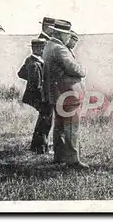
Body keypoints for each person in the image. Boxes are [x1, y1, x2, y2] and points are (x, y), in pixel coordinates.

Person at [42, 19, 88, 169]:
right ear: (61, 34)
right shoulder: (60, 48)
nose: (69, 38)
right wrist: (83, 70)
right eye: (67, 35)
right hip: (68, 93)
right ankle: (73, 160)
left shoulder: (49, 46)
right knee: (71, 126)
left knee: (60, 125)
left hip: (57, 94)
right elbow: (74, 68)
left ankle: (59, 156)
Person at [18, 38, 50, 154]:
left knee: (43, 120)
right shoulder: (35, 64)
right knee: (45, 121)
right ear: (37, 49)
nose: (43, 50)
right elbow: (37, 85)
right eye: (42, 48)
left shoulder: (30, 60)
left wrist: (31, 79)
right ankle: (40, 146)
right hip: (39, 96)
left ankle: (37, 145)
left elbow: (20, 73)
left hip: (34, 95)